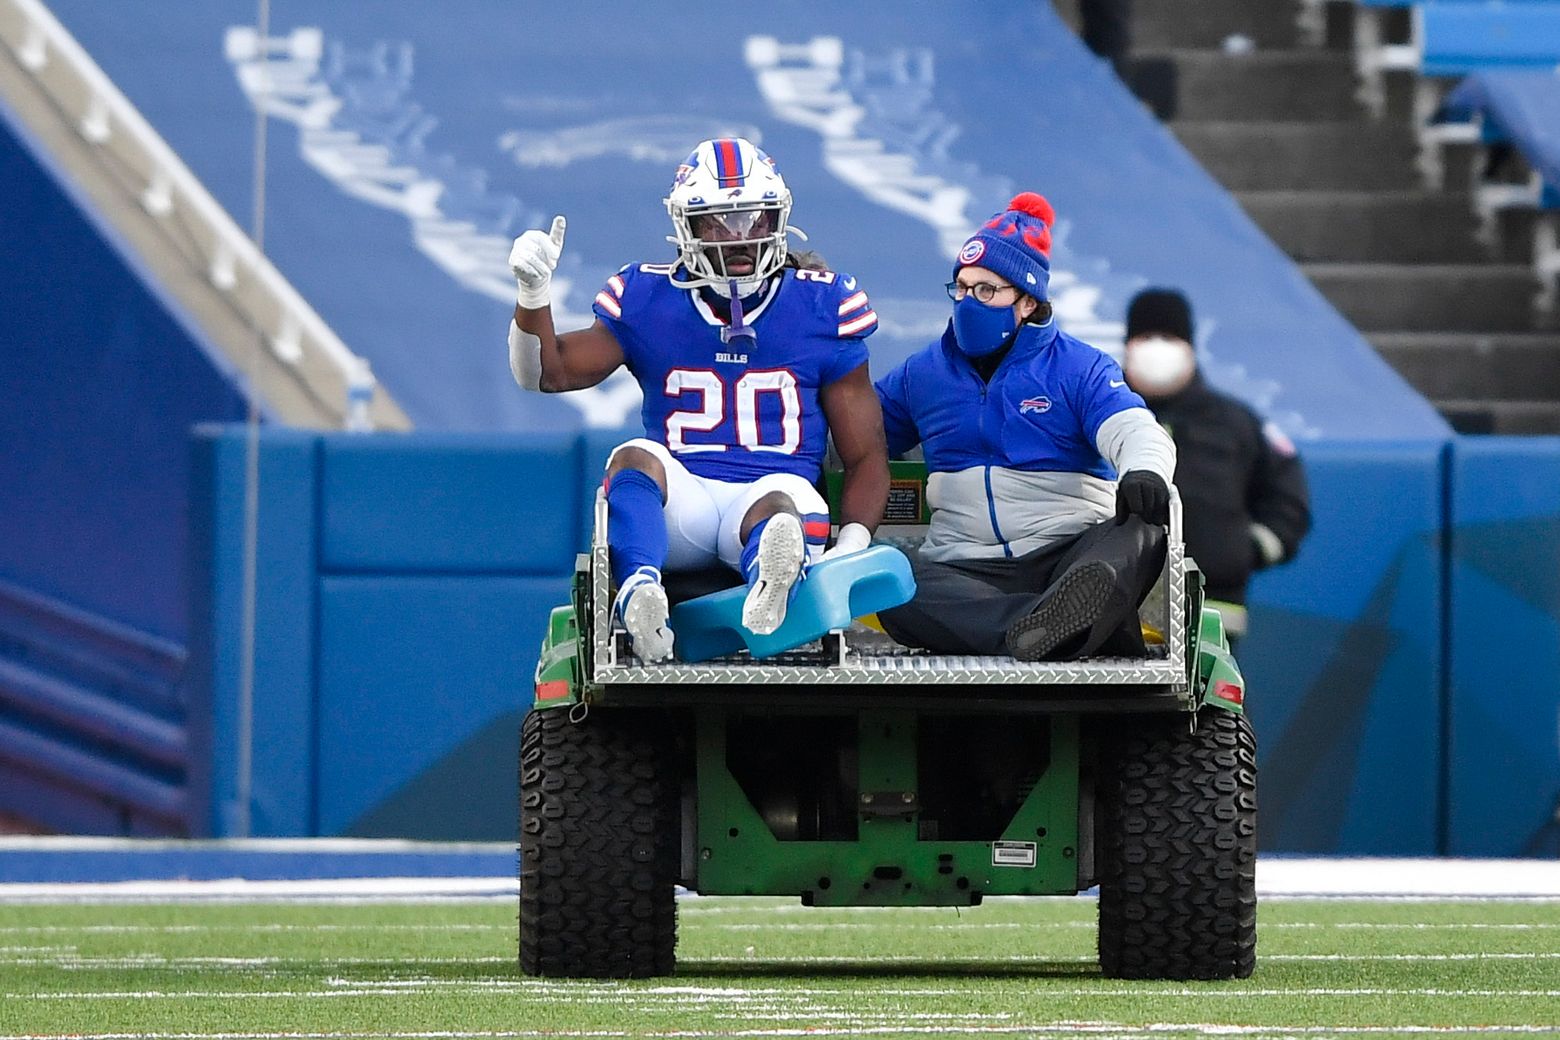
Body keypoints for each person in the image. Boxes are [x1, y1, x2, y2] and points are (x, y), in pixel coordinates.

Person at [506, 138, 889, 663]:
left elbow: (866, 455)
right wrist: (533, 296)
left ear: (778, 220)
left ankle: (769, 584)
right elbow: (546, 374)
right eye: (718, 222)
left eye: (754, 220)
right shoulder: (648, 299)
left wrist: (851, 548)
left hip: (776, 494)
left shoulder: (822, 305)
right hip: (682, 503)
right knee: (633, 458)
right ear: (686, 226)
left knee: (780, 510)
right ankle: (641, 589)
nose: (739, 238)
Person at [874, 193, 1177, 662]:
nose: (968, 301)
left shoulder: (1079, 367)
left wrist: (1144, 471)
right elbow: (854, 438)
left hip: (1068, 559)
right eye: (961, 286)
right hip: (964, 570)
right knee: (884, 577)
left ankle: (1054, 619)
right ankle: (1046, 629)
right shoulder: (922, 374)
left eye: (986, 290)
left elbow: (1135, 428)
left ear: (1028, 302)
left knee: (1142, 529)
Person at [1122, 288, 1311, 648]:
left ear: (1190, 345)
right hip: (1112, 610)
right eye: (1146, 337)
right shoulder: (1095, 416)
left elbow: (1288, 498)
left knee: (1214, 702)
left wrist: (1247, 549)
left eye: (1170, 337)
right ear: (1128, 344)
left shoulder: (1235, 423)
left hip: (1214, 613)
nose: (1157, 347)